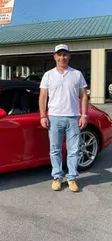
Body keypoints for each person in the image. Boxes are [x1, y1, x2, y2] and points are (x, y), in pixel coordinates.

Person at [39, 44, 88, 192]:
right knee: (55, 150)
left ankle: (72, 178)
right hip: (54, 118)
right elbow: (43, 97)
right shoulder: (48, 75)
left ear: (69, 56)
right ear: (54, 56)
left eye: (65, 54)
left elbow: (84, 95)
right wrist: (43, 115)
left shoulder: (77, 74)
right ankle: (57, 177)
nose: (62, 57)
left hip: (73, 117)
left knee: (73, 150)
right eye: (59, 54)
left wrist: (84, 115)